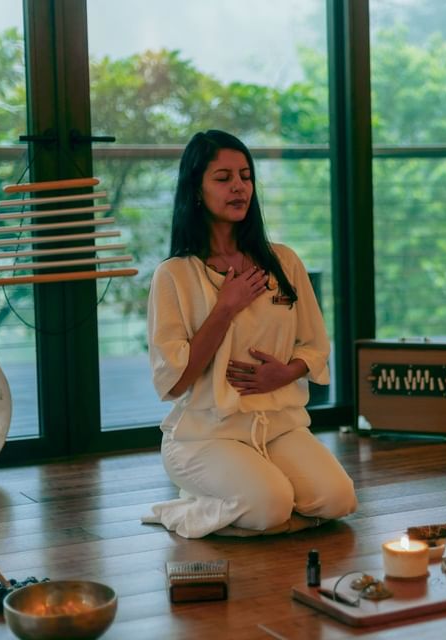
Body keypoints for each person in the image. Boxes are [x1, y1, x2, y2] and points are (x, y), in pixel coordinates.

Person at [142, 129, 358, 538]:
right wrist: (226, 306)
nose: (239, 187)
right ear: (196, 189)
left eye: (245, 176)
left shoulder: (284, 262)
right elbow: (174, 381)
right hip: (203, 435)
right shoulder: (174, 275)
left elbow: (314, 346)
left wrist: (286, 373)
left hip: (278, 424)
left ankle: (258, 503)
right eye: (223, 178)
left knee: (339, 498)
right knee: (270, 505)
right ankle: (189, 507)